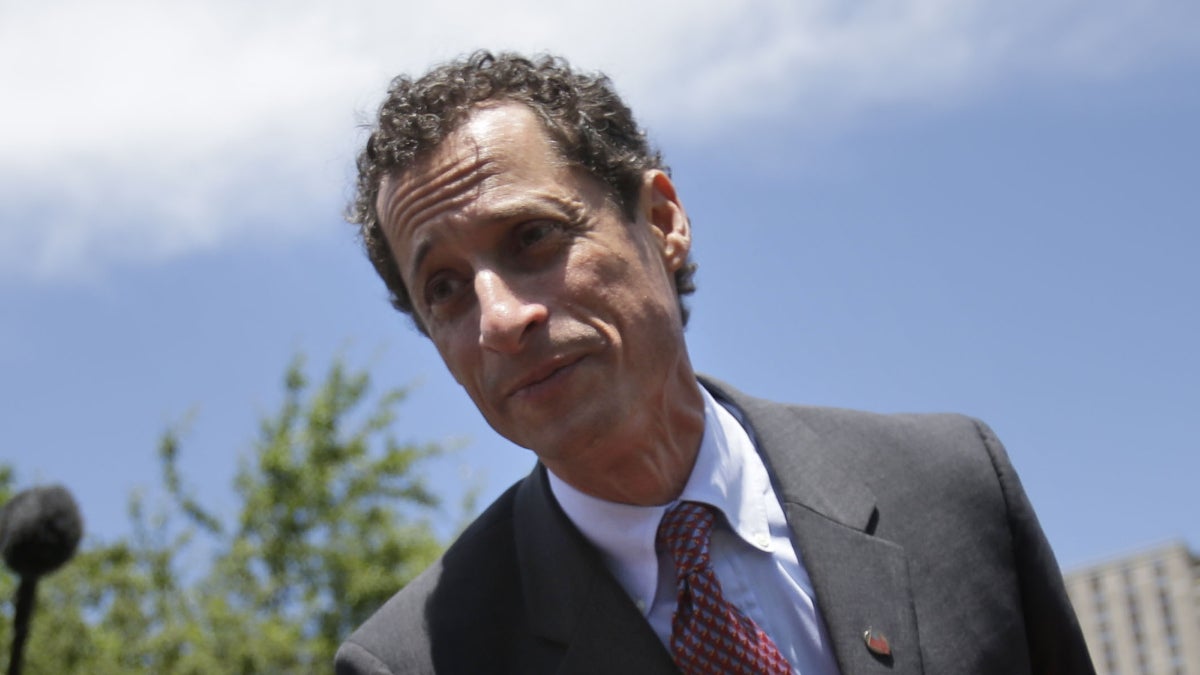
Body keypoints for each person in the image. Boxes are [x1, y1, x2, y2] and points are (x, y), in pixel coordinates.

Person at [336, 51, 1095, 675]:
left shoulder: (950, 485)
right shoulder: (416, 662)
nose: (500, 318)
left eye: (532, 237)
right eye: (445, 289)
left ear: (661, 220)